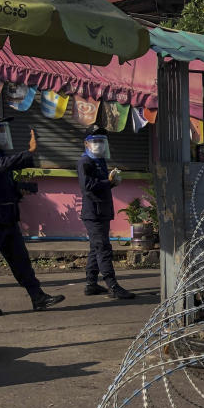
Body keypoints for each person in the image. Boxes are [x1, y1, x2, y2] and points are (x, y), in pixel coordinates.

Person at [0, 117, 65, 316]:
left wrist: (20, 190)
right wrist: (29, 153)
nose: (2, 133)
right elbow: (1, 165)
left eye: (3, 129)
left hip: (7, 216)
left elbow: (2, 182)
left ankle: (38, 297)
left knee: (21, 261)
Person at [77, 127, 134, 299]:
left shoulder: (99, 160)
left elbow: (100, 184)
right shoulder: (85, 161)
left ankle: (91, 284)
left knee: (96, 248)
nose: (99, 145)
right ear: (86, 143)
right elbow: (87, 187)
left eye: (102, 141)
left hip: (101, 211)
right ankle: (113, 286)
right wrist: (107, 182)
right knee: (103, 248)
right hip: (93, 213)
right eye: (95, 141)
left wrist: (111, 182)